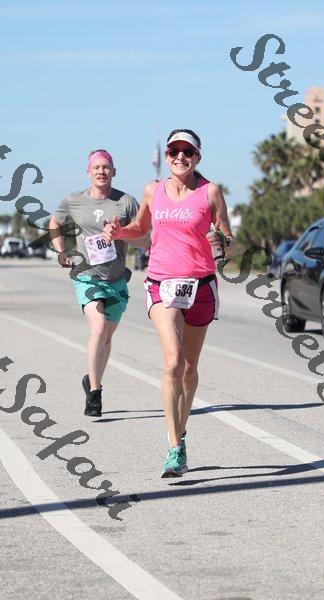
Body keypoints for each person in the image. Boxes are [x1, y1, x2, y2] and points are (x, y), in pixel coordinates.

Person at [103, 129, 233, 477]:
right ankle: (174, 448)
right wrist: (119, 233)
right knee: (173, 361)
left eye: (187, 152)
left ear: (197, 157)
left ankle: (181, 431)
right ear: (168, 155)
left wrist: (220, 240)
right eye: (174, 151)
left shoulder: (210, 192)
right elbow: (140, 229)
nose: (180, 157)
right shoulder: (153, 190)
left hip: (201, 284)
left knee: (189, 368)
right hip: (162, 283)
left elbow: (227, 236)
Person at [49, 149, 147, 418]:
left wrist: (121, 233)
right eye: (97, 167)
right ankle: (95, 393)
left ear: (114, 172)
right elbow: (55, 222)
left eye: (106, 167)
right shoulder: (73, 201)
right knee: (99, 327)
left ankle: (91, 379)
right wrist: (61, 251)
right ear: (88, 172)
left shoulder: (126, 203)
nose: (101, 171)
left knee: (106, 338)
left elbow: (144, 239)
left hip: (116, 279)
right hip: (86, 276)